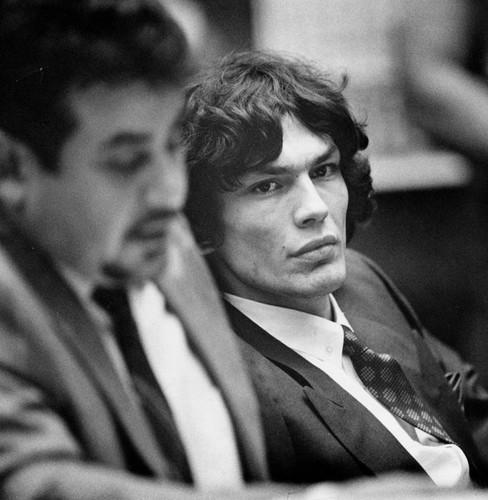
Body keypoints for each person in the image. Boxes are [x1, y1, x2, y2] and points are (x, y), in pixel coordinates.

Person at [0, 2, 292, 499]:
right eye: (127, 161)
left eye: (173, 146)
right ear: (11, 168)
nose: (170, 192)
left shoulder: (165, 238)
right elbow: (33, 483)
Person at [183, 51, 488, 488]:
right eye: (267, 186)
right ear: (202, 220)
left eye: (323, 170)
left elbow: (470, 414)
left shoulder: (361, 279)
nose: (315, 208)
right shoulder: (230, 385)